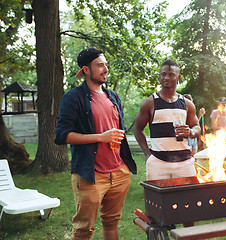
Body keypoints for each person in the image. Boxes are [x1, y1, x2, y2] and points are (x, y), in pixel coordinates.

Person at [55, 48, 137, 240]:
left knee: (111, 222)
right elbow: (61, 135)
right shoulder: (73, 98)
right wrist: (101, 137)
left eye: (106, 65)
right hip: (90, 175)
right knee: (83, 231)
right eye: (100, 65)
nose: (105, 69)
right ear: (86, 69)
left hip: (119, 173)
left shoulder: (113, 96)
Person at [133, 59, 201, 181]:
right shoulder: (150, 103)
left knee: (188, 199)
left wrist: (191, 132)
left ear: (178, 77)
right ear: (160, 76)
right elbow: (137, 129)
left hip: (185, 163)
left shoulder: (187, 104)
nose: (166, 78)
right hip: (158, 163)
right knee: (158, 200)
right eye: (163, 74)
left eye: (171, 75)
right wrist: (147, 154)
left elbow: (197, 127)